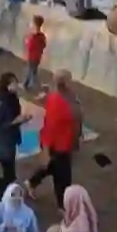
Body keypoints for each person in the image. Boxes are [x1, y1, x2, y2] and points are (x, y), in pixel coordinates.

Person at [26, 71, 83, 209]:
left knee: (52, 167)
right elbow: (50, 128)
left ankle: (33, 181)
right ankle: (62, 206)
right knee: (63, 177)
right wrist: (46, 149)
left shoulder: (67, 96)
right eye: (69, 80)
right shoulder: (57, 102)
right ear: (64, 83)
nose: (72, 82)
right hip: (58, 146)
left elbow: (76, 115)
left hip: (66, 142)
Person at [0, 72, 30, 204]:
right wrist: (17, 120)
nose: (16, 85)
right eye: (13, 82)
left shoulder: (12, 99)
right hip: (3, 144)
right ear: (6, 85)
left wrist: (21, 120)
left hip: (9, 142)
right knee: (9, 177)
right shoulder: (1, 103)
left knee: (9, 175)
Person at [23, 16, 47, 91]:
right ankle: (26, 84)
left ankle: (33, 85)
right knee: (32, 70)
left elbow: (29, 46)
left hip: (32, 56)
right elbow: (44, 45)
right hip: (37, 57)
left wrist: (27, 41)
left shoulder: (33, 36)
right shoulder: (42, 36)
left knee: (31, 71)